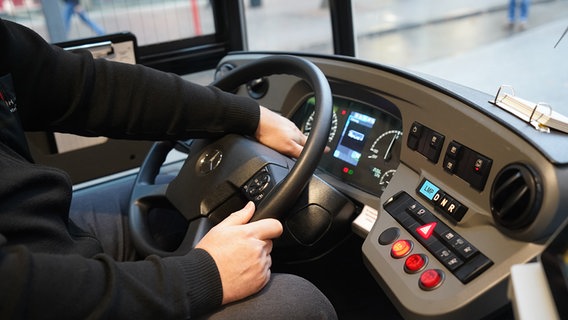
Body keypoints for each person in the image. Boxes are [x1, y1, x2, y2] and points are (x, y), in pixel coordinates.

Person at [0, 18, 337, 319]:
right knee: (297, 303)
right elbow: (20, 293)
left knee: (157, 200)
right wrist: (203, 275)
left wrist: (251, 116)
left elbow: (89, 87)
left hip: (39, 235)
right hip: (34, 292)